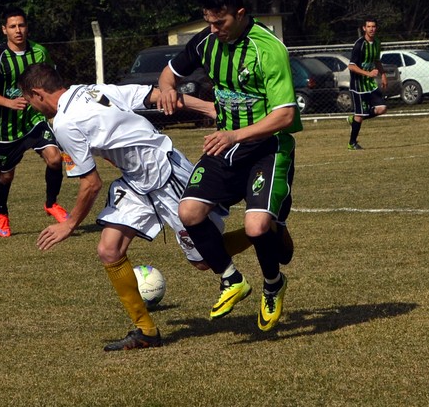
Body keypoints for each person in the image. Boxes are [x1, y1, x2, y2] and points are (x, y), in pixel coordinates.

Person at [18, 63, 253, 351]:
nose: (32, 107)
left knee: (203, 261)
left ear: (37, 93)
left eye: (29, 101)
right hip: (136, 180)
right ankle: (146, 331)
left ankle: (263, 232)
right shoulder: (93, 90)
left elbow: (91, 184)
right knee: (109, 250)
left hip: (164, 172)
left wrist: (69, 225)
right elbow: (156, 96)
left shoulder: (65, 124)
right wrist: (207, 107)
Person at [158, 0, 301, 332]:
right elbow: (169, 74)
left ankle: (272, 285)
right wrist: (166, 89)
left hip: (267, 146)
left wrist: (235, 133)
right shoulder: (207, 41)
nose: (213, 29)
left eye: (220, 22)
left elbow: (284, 114)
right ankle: (231, 279)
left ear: (240, 14)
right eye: (208, 22)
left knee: (256, 227)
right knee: (188, 212)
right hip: (226, 145)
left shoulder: (268, 49)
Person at [0, 7, 68, 238]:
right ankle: (1, 211)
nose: (18, 30)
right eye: (12, 26)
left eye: (21, 25)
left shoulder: (39, 52)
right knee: (6, 175)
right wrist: (9, 103)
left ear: (27, 27)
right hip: (7, 126)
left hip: (35, 118)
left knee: (55, 158)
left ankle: (51, 203)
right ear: (4, 30)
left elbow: (53, 81)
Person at [347, 18, 388, 150]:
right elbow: (351, 66)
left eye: (374, 26)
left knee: (382, 108)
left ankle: (353, 119)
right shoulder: (360, 44)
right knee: (360, 115)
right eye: (369, 26)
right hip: (358, 85)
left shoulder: (376, 43)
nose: (371, 29)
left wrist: (383, 75)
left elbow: (377, 61)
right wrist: (368, 73)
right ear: (364, 28)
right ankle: (352, 143)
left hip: (369, 84)